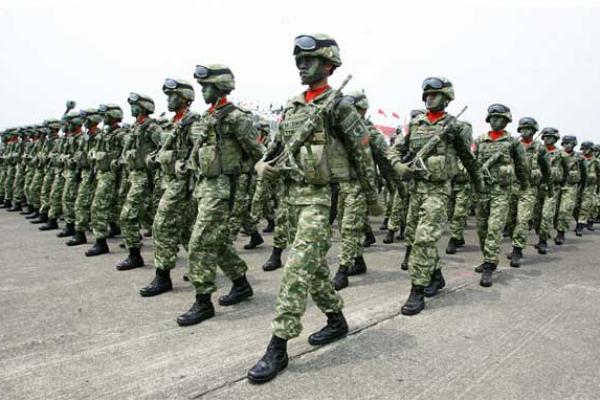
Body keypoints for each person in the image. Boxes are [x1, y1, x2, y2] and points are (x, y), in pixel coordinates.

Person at [247, 34, 382, 384]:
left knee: (296, 269)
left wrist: (372, 199)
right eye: (299, 61)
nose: (301, 66)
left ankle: (278, 345)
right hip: (291, 199)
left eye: (309, 61)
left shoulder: (338, 105)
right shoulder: (292, 106)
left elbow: (363, 153)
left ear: (328, 65)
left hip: (320, 199)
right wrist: (263, 165)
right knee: (314, 268)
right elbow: (275, 147)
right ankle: (336, 320)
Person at [174, 64, 263, 326]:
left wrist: (241, 178)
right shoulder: (207, 117)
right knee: (219, 241)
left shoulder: (236, 118)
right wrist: (183, 164)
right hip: (204, 187)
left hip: (223, 191)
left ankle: (203, 302)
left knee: (200, 242)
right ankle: (241, 283)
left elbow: (258, 153)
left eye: (207, 86)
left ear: (221, 86)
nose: (203, 91)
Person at [389, 77, 482, 313]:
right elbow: (395, 149)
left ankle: (416, 291)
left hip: (438, 191)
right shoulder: (416, 123)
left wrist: (479, 185)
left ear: (447, 98)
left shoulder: (456, 127)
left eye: (435, 94)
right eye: (427, 94)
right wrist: (398, 166)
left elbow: (469, 159)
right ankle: (436, 275)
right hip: (416, 190)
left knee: (424, 238)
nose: (430, 98)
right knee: (413, 236)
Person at [140, 79, 198, 296]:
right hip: (169, 182)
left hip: (183, 185)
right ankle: (200, 267)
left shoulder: (193, 123)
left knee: (161, 226)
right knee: (186, 232)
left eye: (172, 96)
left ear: (184, 98)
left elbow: (203, 154)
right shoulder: (173, 123)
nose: (168, 100)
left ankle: (162, 277)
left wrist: (183, 166)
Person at [473, 104, 529, 287]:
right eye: (493, 117)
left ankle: (490, 264)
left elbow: (522, 166)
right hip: (482, 191)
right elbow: (472, 163)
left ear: (506, 121)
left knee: (494, 227)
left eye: (500, 118)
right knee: (481, 228)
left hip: (501, 192)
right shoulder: (480, 140)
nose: (496, 120)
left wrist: (524, 185)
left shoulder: (513, 142)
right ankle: (487, 258)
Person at [116, 93, 162, 270]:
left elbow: (163, 149)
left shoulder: (152, 128)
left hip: (145, 177)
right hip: (133, 175)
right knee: (144, 216)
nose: (132, 108)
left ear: (144, 107)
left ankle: (135, 256)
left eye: (135, 105)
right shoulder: (136, 128)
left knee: (128, 216)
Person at [86, 104, 128, 256]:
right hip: (101, 173)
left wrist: (119, 161)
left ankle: (101, 241)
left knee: (98, 207)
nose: (103, 118)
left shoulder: (121, 135)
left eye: (106, 115)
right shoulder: (104, 134)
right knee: (104, 207)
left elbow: (129, 153)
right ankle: (113, 230)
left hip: (112, 175)